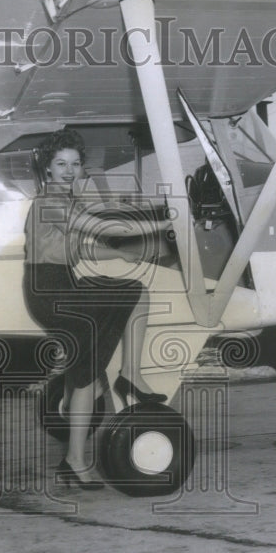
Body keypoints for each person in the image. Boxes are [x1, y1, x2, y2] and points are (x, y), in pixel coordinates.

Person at [23, 127, 166, 489]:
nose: (69, 170)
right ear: (48, 168)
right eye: (61, 164)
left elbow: (81, 247)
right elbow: (101, 227)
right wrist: (165, 223)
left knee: (88, 371)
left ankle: (121, 380)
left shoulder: (66, 202)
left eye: (74, 164)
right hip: (51, 291)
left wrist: (118, 255)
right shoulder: (49, 202)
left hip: (61, 286)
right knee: (129, 297)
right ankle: (123, 381)